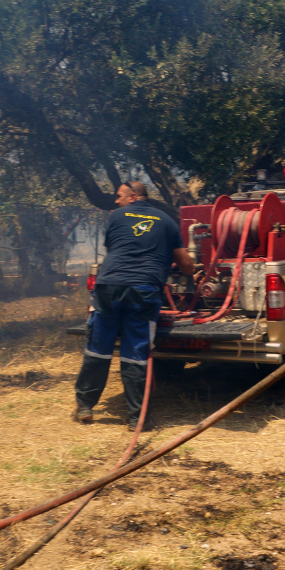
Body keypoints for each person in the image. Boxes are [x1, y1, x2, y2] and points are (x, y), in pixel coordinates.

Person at [74, 181, 194, 430]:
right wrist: (190, 270)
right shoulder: (167, 221)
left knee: (98, 348)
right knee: (135, 353)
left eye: (119, 196)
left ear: (133, 197)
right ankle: (136, 418)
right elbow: (184, 263)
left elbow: (116, 248)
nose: (115, 201)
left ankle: (85, 406)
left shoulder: (116, 216)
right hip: (143, 291)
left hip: (109, 287)